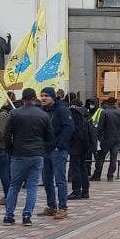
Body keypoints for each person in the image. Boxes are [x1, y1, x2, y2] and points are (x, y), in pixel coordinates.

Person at [3, 87, 51, 225]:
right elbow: (49, 136)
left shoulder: (14, 113)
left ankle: (9, 215)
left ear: (23, 99)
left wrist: (10, 149)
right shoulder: (43, 115)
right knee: (32, 187)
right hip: (36, 154)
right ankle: (27, 216)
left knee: (14, 186)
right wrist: (42, 148)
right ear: (34, 98)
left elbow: (7, 135)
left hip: (19, 153)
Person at [39, 87, 73, 220]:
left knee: (60, 180)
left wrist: (59, 145)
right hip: (45, 150)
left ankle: (63, 207)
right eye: (41, 95)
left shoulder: (62, 110)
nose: (43, 98)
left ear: (53, 97)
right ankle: (51, 206)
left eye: (46, 95)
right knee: (47, 179)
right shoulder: (41, 111)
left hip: (58, 150)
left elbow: (69, 128)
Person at [67, 94, 95, 200]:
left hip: (76, 144)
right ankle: (85, 191)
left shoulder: (75, 113)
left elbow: (73, 129)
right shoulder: (86, 113)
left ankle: (76, 191)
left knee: (75, 168)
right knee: (83, 168)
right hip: (86, 144)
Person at [91, 97, 120, 181]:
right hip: (117, 138)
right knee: (113, 158)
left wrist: (97, 137)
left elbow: (100, 126)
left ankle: (97, 175)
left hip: (107, 137)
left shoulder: (104, 112)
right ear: (115, 103)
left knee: (101, 157)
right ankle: (110, 175)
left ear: (108, 103)